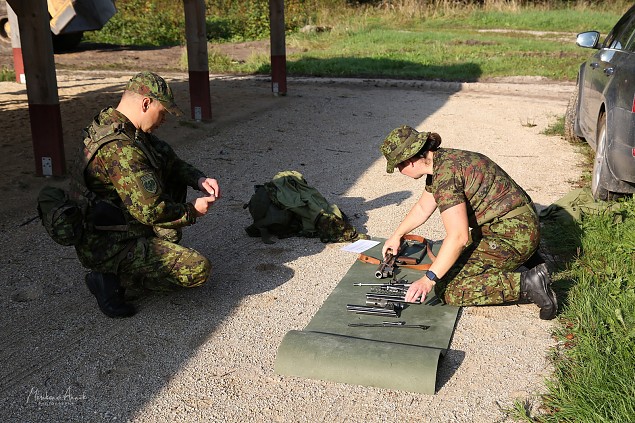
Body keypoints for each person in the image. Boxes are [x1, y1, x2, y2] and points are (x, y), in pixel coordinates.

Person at [70, 71, 220, 318]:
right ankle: (111, 279)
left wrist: (198, 179)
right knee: (197, 270)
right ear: (146, 103)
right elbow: (151, 211)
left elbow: (168, 159)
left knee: (169, 221)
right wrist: (193, 211)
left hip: (115, 225)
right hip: (107, 245)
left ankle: (134, 260)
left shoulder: (119, 125)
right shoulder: (121, 149)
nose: (163, 120)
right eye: (162, 113)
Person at [379, 125, 557, 320]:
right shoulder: (444, 161)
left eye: (398, 166)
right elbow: (423, 207)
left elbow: (458, 237)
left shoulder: (445, 177)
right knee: (450, 260)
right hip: (518, 224)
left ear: (410, 160)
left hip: (512, 234)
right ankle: (528, 258)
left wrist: (428, 280)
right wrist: (397, 235)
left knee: (449, 288)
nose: (399, 170)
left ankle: (530, 284)